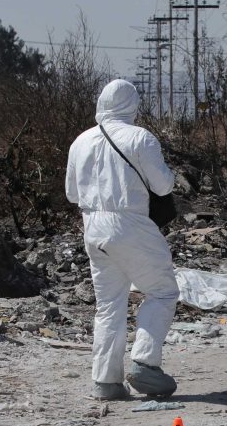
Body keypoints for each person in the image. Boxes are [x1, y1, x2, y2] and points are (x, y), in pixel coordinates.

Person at [66, 79, 180, 400]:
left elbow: (72, 193)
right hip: (130, 223)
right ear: (132, 105)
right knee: (162, 291)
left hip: (93, 227)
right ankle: (145, 362)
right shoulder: (140, 137)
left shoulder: (80, 141)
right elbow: (163, 186)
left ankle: (106, 381)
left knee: (109, 305)